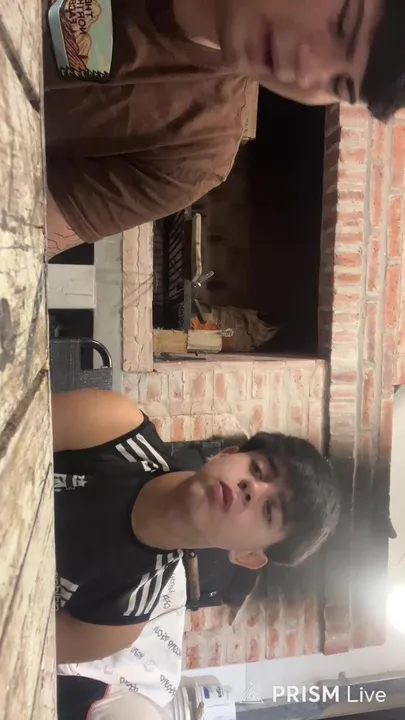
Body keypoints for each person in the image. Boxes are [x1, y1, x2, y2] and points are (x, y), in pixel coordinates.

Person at [44, 0, 402, 257]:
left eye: (339, 84)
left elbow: (22, 237)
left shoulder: (195, 154)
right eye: (343, 24)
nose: (307, 70)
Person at [52, 388, 340, 665]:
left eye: (269, 510)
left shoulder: (115, 621)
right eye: (257, 469)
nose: (252, 488)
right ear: (227, 454)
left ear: (248, 555)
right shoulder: (115, 427)